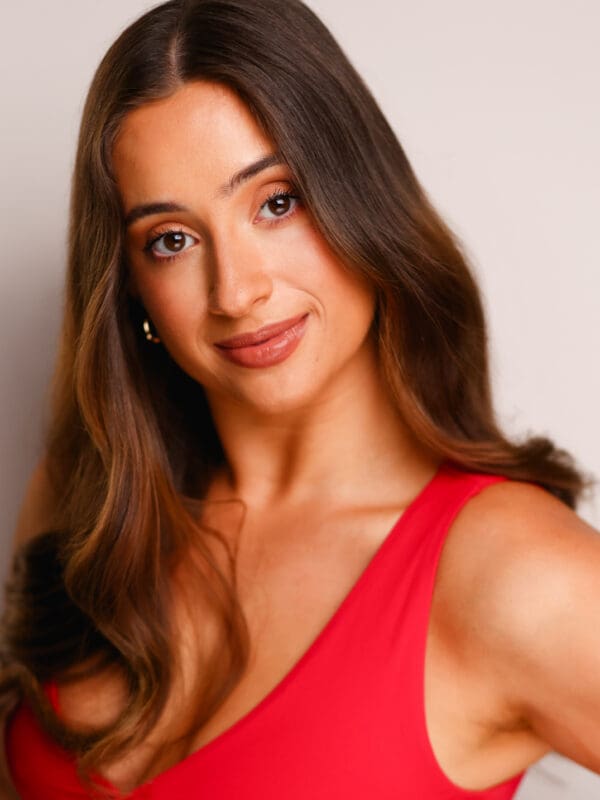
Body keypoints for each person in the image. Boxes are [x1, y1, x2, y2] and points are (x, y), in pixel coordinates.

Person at [0, 0, 598, 797]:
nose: (237, 292)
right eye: (171, 240)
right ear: (131, 286)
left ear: (364, 203)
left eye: (277, 202)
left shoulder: (514, 576)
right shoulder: (85, 509)